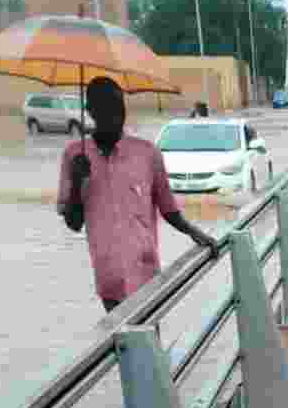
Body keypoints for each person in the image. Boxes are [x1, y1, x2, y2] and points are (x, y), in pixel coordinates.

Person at [57, 76, 216, 314]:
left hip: (146, 270)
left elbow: (168, 208)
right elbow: (73, 223)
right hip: (109, 276)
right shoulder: (74, 156)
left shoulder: (147, 153)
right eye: (106, 109)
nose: (116, 116)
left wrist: (195, 233)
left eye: (119, 108)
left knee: (149, 338)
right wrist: (79, 181)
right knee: (123, 343)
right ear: (90, 112)